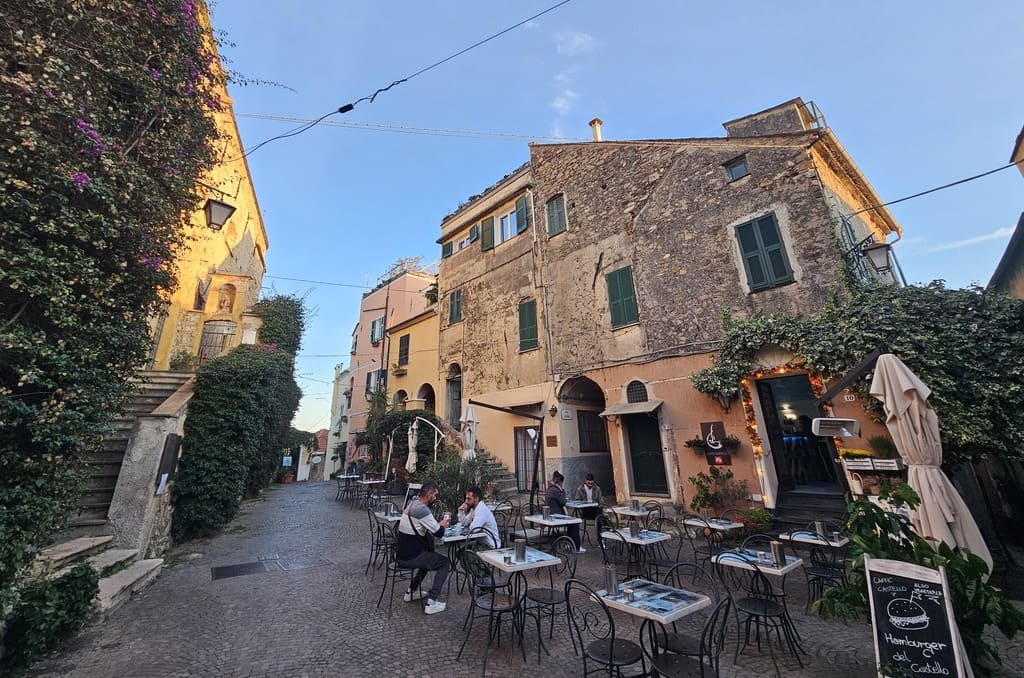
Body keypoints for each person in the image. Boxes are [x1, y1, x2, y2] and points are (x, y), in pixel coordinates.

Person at [397, 482, 450, 614]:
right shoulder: (422, 510)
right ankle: (431, 602)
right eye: (435, 495)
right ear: (429, 494)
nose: (435, 498)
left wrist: (437, 525)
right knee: (445, 563)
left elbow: (425, 526)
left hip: (401, 555)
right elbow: (439, 533)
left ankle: (410, 592)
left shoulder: (412, 504)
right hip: (411, 557)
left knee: (429, 556)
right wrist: (442, 524)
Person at [545, 471, 584, 553]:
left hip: (552, 514)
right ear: (560, 482)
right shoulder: (555, 490)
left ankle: (569, 544)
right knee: (574, 523)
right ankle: (575, 547)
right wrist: (562, 490)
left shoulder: (549, 488)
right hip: (556, 516)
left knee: (572, 522)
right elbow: (563, 502)